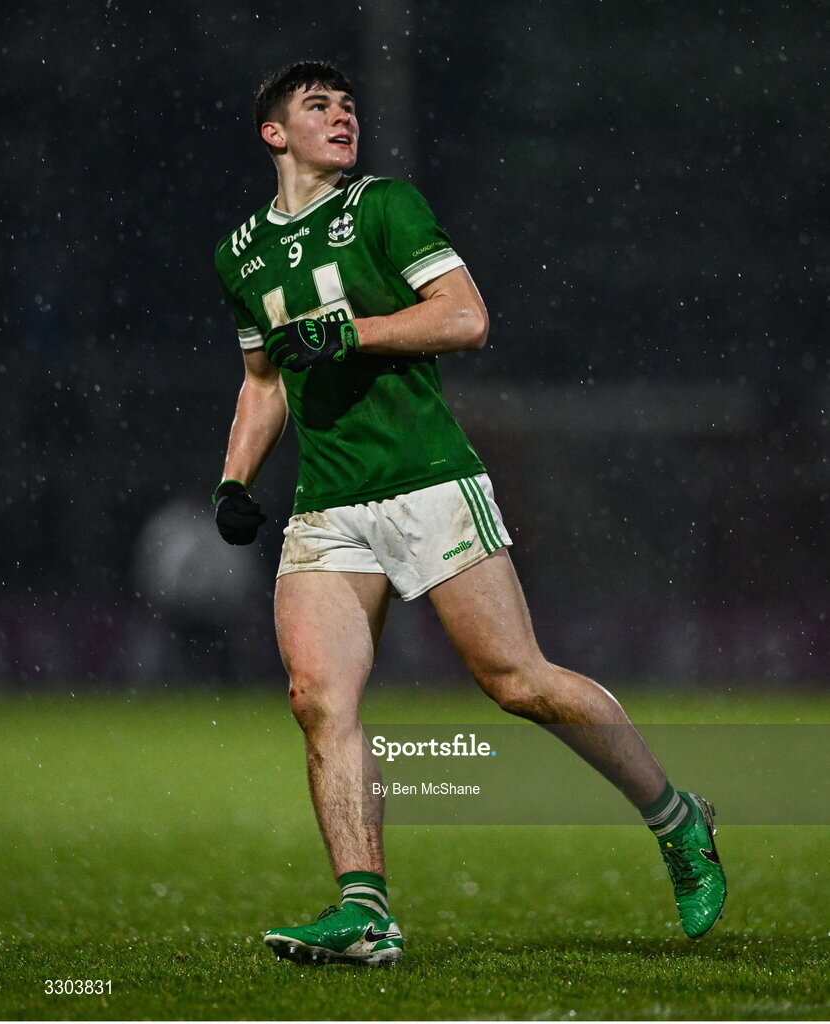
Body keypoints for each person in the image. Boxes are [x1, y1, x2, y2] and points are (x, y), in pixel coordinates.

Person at [212, 60, 726, 966]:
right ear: (273, 134)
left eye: (349, 106)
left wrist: (355, 333)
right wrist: (233, 481)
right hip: (329, 503)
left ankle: (676, 818)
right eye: (318, 107)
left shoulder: (386, 208)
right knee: (316, 700)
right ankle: (366, 911)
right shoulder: (239, 254)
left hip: (427, 481)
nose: (343, 117)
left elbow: (466, 318)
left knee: (517, 682)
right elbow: (263, 381)